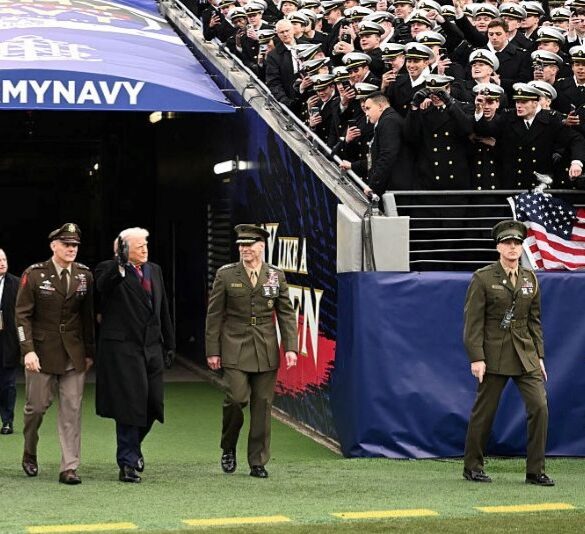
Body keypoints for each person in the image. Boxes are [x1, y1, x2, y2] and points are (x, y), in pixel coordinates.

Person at [462, 220, 554, 487]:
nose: (513, 248)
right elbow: (473, 323)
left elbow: (534, 321)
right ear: (498, 247)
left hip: (525, 354)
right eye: (507, 243)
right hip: (494, 355)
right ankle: (473, 466)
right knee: (485, 412)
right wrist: (476, 358)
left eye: (517, 243)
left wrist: (539, 356)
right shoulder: (483, 278)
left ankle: (535, 471)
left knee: (540, 407)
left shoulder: (530, 278)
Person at [206, 224, 298, 479]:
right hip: (234, 344)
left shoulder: (275, 275)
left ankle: (257, 460)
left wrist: (291, 347)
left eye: (249, 245)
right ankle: (228, 446)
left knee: (262, 405)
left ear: (262, 246)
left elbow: (286, 314)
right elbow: (214, 316)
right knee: (236, 399)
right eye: (241, 245)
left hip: (266, 347)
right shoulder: (226, 275)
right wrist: (212, 351)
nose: (244, 249)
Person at [15, 223, 95, 485]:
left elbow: (88, 318)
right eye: (67, 245)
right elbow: (21, 316)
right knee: (36, 409)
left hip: (74, 353)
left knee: (72, 409)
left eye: (75, 245)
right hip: (41, 353)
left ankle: (69, 467)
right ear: (54, 246)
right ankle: (30, 450)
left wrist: (89, 352)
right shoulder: (35, 274)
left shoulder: (84, 275)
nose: (72, 249)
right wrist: (27, 350)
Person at [94, 227, 175, 483]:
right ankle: (127, 463)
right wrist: (119, 264)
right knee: (130, 406)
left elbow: (163, 310)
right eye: (140, 246)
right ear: (124, 249)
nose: (145, 249)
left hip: (152, 347)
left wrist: (170, 344)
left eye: (146, 244)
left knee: (153, 404)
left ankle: (134, 447)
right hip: (124, 350)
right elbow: (102, 287)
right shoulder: (108, 269)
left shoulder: (154, 270)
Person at [0, 249, 19, 435]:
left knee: (8, 384)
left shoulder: (17, 283)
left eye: (4, 259)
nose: (2, 263)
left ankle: (7, 421)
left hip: (8, 340)